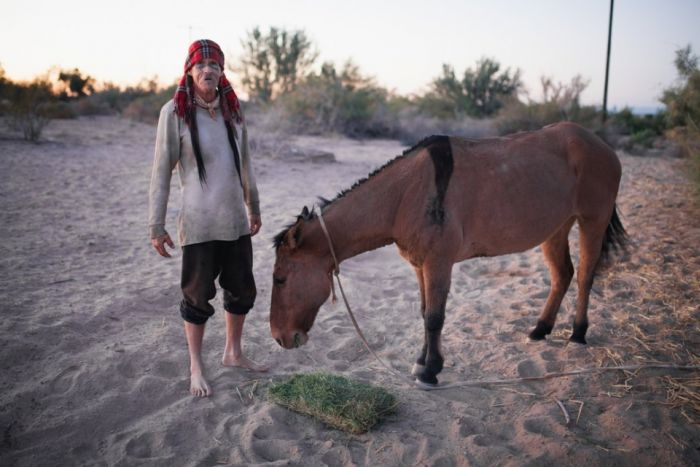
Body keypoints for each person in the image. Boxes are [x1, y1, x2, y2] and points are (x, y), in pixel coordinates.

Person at [148, 39, 267, 397]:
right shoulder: (175, 112)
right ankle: (196, 366)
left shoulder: (233, 110)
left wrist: (254, 207)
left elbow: (245, 164)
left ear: (222, 71)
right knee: (198, 297)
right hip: (199, 225)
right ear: (189, 70)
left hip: (234, 222)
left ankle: (233, 353)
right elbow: (160, 172)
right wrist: (156, 225)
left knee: (243, 290)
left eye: (214, 65)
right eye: (200, 65)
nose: (208, 70)